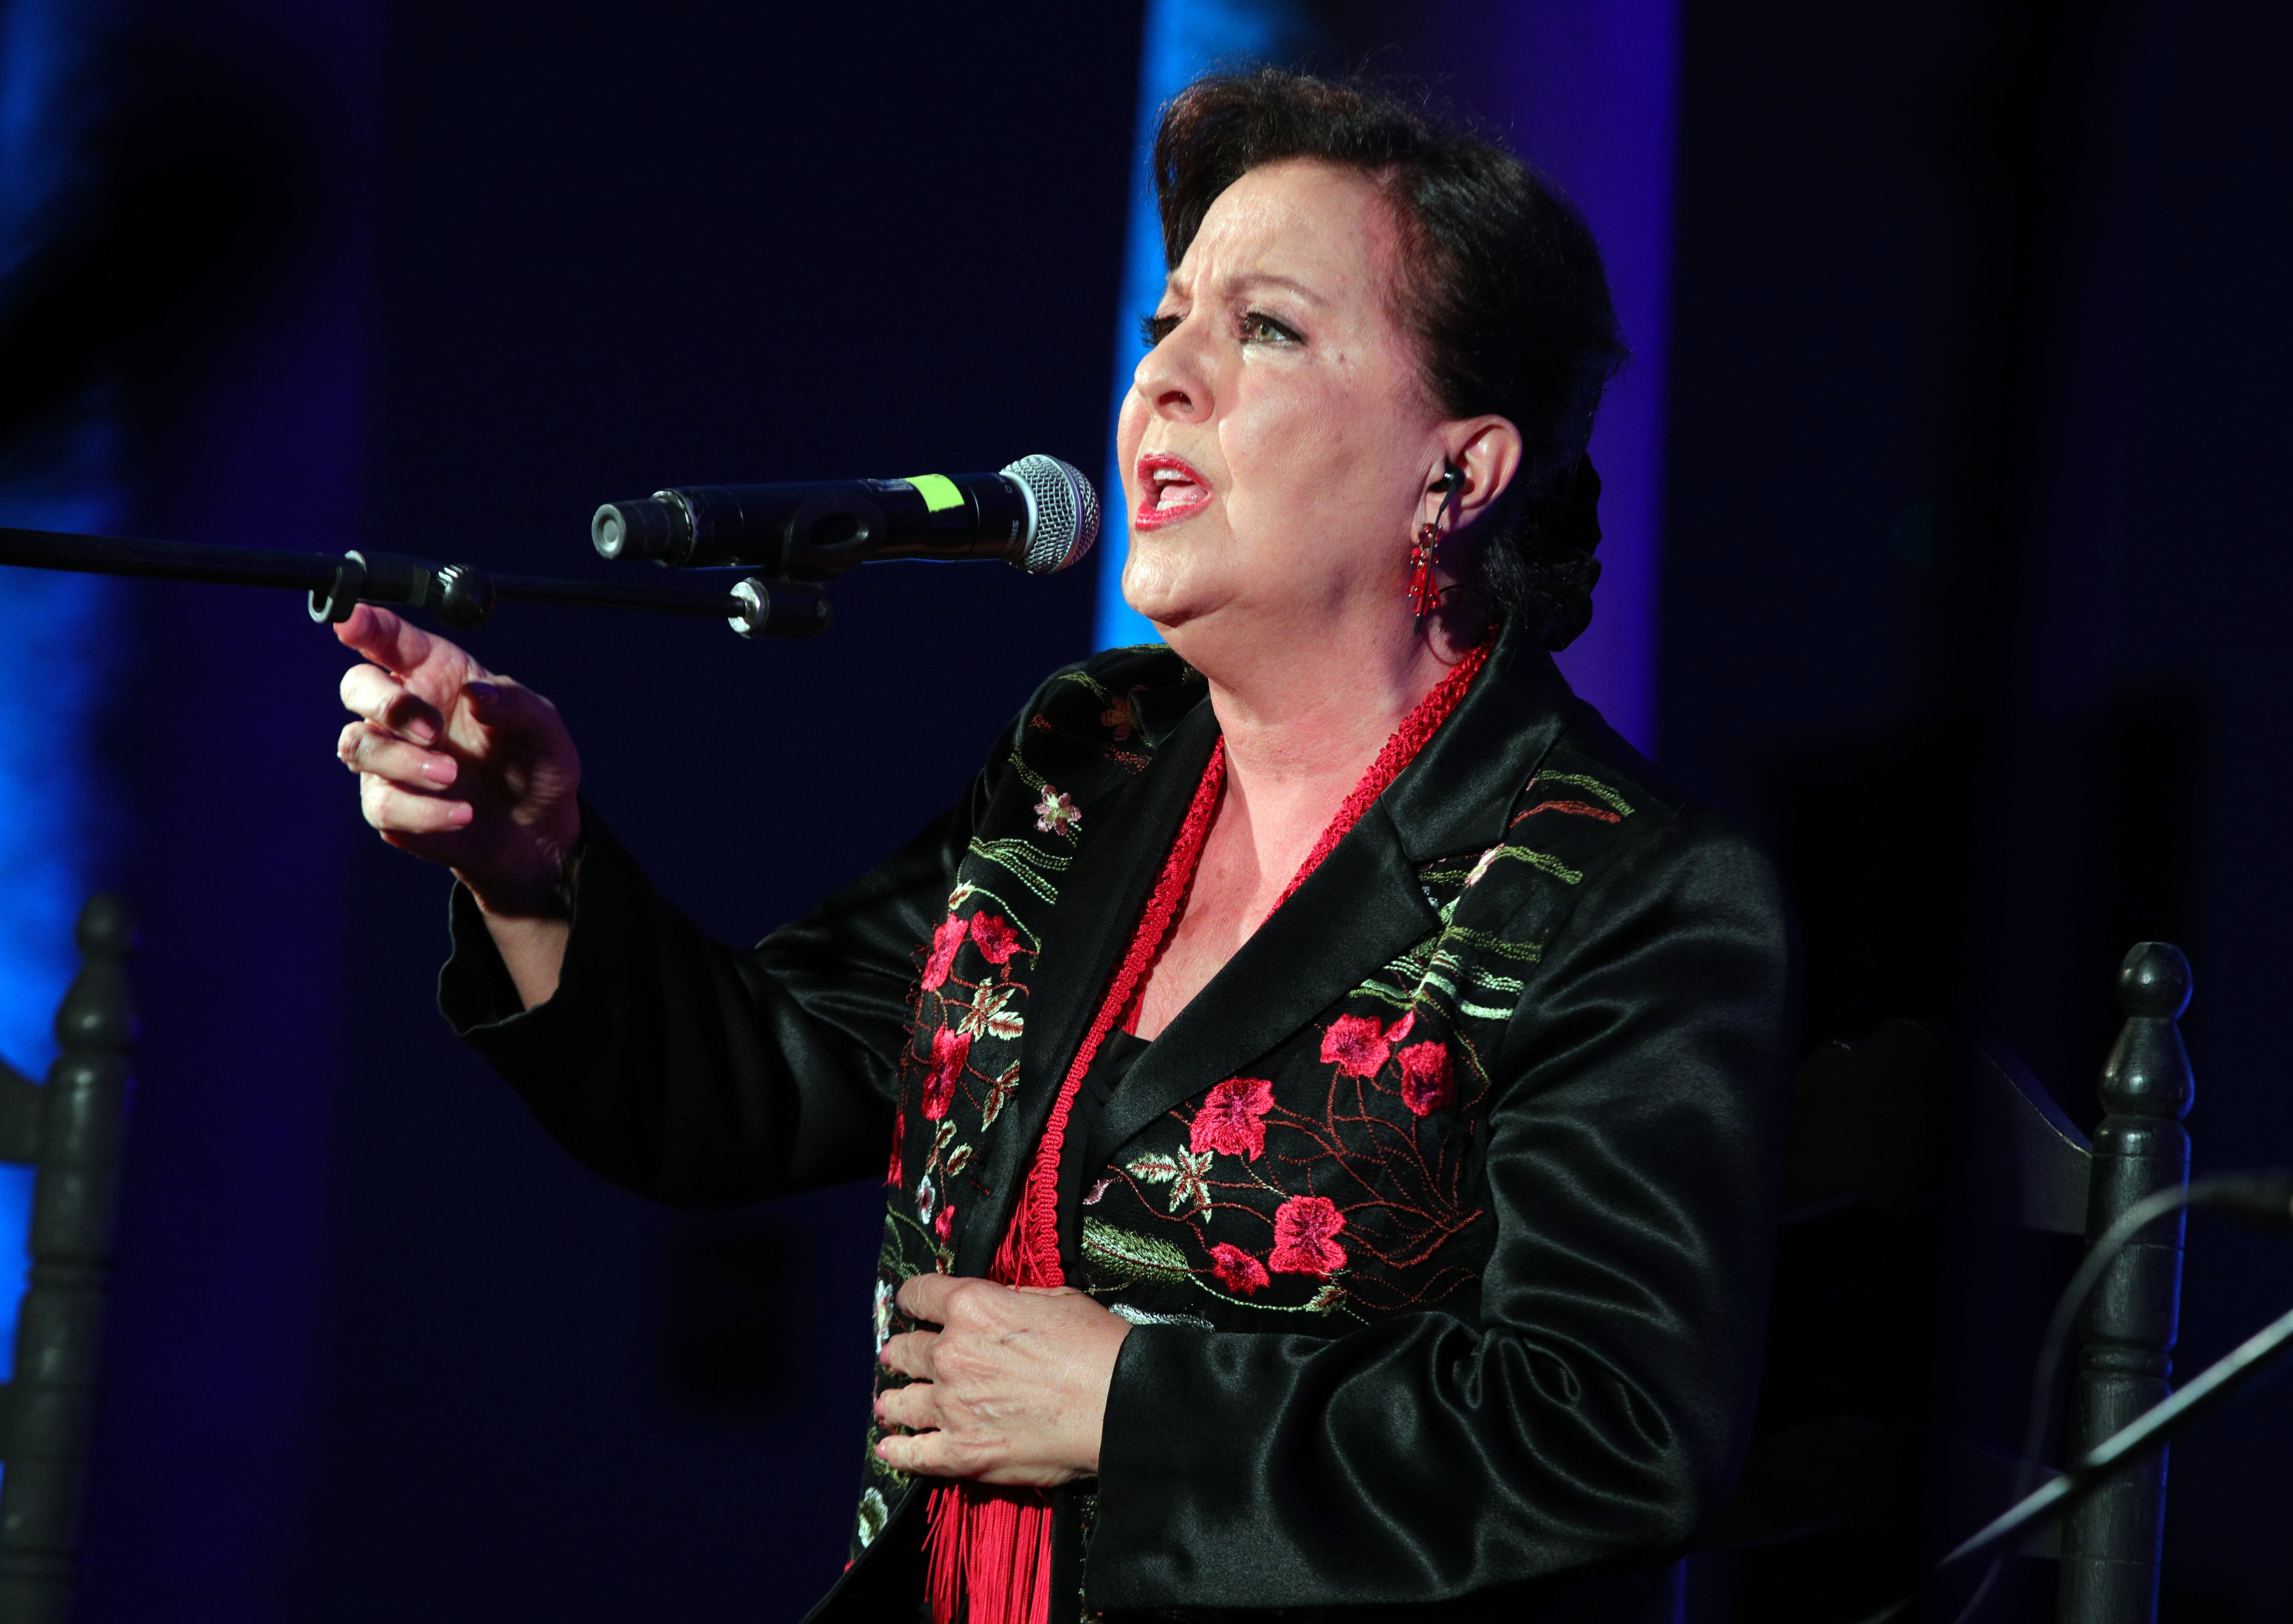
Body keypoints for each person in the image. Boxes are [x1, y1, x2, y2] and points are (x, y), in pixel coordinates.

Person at [333, 69, 1791, 1624]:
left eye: (1267, 328)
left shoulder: (1625, 889)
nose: (1165, 375)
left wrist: (1130, 1406)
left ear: (1462, 468)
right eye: (1168, 320)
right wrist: (531, 867)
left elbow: (1607, 1433)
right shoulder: (1085, 758)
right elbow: (746, 1087)